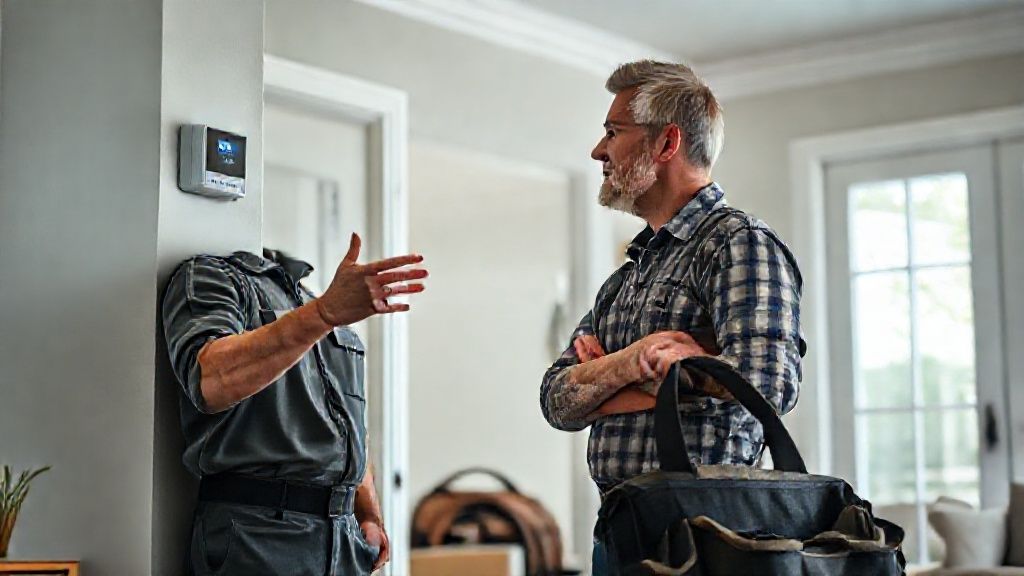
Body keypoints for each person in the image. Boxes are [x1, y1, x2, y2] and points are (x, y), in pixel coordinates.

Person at [539, 60, 804, 570]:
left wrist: (605, 383)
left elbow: (770, 383)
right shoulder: (626, 277)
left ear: (665, 143)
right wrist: (636, 360)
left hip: (708, 540)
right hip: (617, 536)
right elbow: (556, 401)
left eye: (613, 132)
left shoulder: (738, 244)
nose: (598, 151)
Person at [163, 234, 427, 576]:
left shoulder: (310, 298)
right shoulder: (212, 276)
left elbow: (348, 422)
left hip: (343, 541)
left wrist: (369, 513)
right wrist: (323, 314)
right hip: (260, 538)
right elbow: (211, 381)